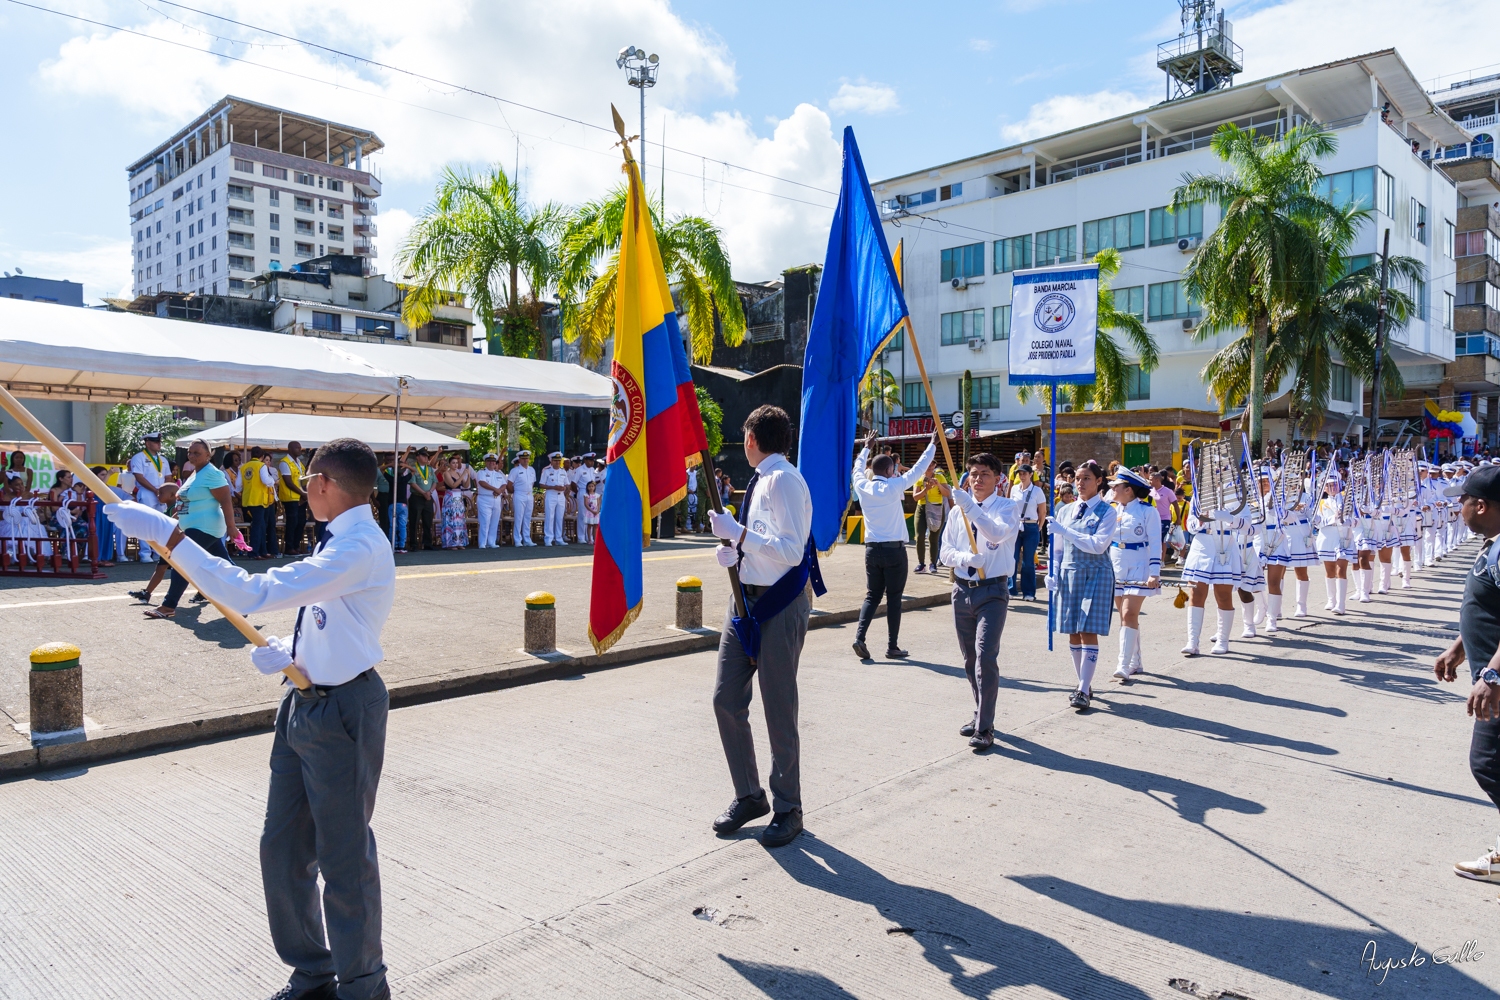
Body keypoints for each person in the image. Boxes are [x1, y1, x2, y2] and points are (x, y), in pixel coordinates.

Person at [104, 438, 395, 1000]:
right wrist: (293, 650)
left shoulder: (359, 545)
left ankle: (363, 987)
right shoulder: (340, 538)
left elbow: (251, 591)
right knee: (282, 849)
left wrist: (168, 535)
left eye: (309, 479)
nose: (305, 487)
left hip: (343, 710)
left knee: (343, 859)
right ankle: (313, 971)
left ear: (324, 484)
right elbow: (331, 614)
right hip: (304, 699)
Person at [707, 405, 816, 849]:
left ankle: (788, 806)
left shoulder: (784, 480)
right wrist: (736, 553)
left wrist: (743, 538)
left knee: (777, 705)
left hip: (781, 602)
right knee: (725, 699)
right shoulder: (762, 479)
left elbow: (792, 552)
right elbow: (763, 545)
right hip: (744, 600)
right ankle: (750, 794)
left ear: (752, 438)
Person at [937, 452, 1020, 750]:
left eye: (984, 473)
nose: (977, 479)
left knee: (986, 657)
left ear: (998, 479)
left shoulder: (1008, 507)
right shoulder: (956, 511)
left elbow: (996, 532)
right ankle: (980, 711)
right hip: (962, 590)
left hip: (993, 591)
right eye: (973, 473)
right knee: (970, 659)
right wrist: (963, 558)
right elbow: (944, 552)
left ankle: (985, 728)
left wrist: (969, 507)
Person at [850, 427, 938, 660]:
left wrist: (866, 447)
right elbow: (919, 469)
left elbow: (857, 469)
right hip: (894, 551)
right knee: (894, 598)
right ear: (890, 471)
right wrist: (931, 444)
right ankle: (892, 646)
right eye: (894, 468)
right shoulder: (894, 486)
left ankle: (859, 637)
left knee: (872, 596)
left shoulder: (862, 485)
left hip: (872, 550)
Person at [1047, 461, 1117, 710]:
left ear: (1099, 481)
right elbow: (1056, 547)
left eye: (1086, 478)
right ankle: (1083, 684)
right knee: (1072, 631)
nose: (1080, 482)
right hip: (1069, 573)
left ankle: (1083, 689)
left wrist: (1065, 531)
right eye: (1077, 478)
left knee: (1088, 629)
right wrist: (1052, 572)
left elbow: (1098, 545)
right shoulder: (1064, 511)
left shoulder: (1108, 512)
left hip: (1096, 573)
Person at [144, 439, 239, 620]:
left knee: (183, 560)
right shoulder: (195, 474)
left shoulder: (212, 473)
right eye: (190, 452)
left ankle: (168, 605)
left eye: (197, 453)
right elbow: (185, 502)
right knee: (225, 567)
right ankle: (246, 596)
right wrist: (174, 520)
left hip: (205, 527)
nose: (192, 455)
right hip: (193, 526)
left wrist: (232, 527)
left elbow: (226, 500)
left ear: (208, 455)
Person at [1107, 469, 1161, 682]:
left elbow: (1156, 542)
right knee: (1124, 616)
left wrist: (1155, 572)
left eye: (1116, 486)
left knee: (1129, 613)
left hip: (1139, 565)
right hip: (1116, 564)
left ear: (1128, 490)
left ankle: (1123, 663)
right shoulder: (1111, 509)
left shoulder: (1148, 511)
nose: (1112, 490)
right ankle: (1135, 660)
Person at [127, 431, 170, 562]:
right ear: (147, 443)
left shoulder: (163, 459)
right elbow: (139, 477)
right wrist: (155, 490)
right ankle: (145, 553)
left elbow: (168, 477)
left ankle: (158, 552)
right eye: (156, 442)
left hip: (161, 494)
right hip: (147, 493)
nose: (159, 444)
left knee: (160, 524)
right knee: (146, 523)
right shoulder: (138, 457)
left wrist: (166, 491)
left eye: (159, 442)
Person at [1314, 473, 1353, 616]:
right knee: (1330, 571)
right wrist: (1333, 518)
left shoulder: (1348, 500)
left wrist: (1344, 521)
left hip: (1343, 538)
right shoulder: (1321, 503)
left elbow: (1355, 520)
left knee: (1340, 570)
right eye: (1329, 485)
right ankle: (1331, 600)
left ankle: (1341, 604)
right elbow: (1317, 523)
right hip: (1327, 538)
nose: (1332, 487)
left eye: (1334, 484)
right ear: (1324, 488)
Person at [1009, 464, 1047, 601]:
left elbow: (1042, 512)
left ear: (1031, 474)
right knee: (1012, 559)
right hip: (1016, 526)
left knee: (1028, 561)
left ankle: (1029, 592)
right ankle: (1011, 589)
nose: (1022, 476)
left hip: (1031, 526)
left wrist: (1038, 526)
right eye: (1020, 473)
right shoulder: (1014, 489)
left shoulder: (1037, 491)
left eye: (1025, 473)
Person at [241, 447, 281, 561]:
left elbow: (238, 484)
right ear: (262, 457)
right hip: (259, 500)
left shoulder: (244, 467)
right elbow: (266, 481)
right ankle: (254, 552)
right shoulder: (261, 466)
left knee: (261, 526)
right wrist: (273, 481)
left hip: (247, 500)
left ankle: (262, 551)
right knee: (258, 527)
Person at [913, 466, 947, 575]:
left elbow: (947, 493)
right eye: (928, 464)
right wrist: (926, 489)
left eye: (932, 465)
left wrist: (938, 485)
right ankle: (921, 564)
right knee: (920, 536)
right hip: (922, 508)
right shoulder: (919, 478)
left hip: (936, 508)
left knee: (934, 537)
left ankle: (933, 563)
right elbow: (915, 497)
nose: (930, 467)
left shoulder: (940, 477)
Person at [278, 442, 310, 556]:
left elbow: (303, 480)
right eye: (297, 448)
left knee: (301, 522)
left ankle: (296, 546)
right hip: (290, 497)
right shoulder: (285, 462)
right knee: (292, 522)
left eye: (300, 447)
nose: (299, 450)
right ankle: (289, 547)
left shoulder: (299, 463)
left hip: (300, 498)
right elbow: (289, 482)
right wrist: (302, 493)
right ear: (290, 449)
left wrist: (304, 493)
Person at [406, 449, 437, 551]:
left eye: (427, 456)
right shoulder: (413, 468)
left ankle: (427, 543)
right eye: (423, 456)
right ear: (417, 457)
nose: (426, 458)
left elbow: (434, 482)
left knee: (428, 521)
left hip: (428, 497)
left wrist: (430, 492)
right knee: (414, 521)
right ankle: (413, 544)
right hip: (417, 497)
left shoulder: (430, 469)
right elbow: (412, 483)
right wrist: (423, 492)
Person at [475, 453, 506, 548]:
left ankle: (491, 542)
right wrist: (495, 489)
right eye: (489, 461)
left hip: (496, 499)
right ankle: (482, 543)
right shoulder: (481, 472)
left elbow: (504, 484)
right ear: (485, 462)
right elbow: (482, 483)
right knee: (485, 521)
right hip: (484, 499)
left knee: (494, 521)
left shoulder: (498, 474)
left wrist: (499, 491)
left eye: (493, 461)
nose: (491, 463)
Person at [538, 452, 570, 545]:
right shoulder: (547, 471)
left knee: (560, 517)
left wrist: (566, 489)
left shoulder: (563, 471)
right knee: (550, 517)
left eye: (559, 460)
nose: (557, 462)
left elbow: (567, 484)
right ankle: (548, 538)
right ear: (551, 461)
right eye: (555, 460)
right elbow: (541, 485)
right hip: (551, 494)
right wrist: (553, 487)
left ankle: (559, 538)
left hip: (561, 496)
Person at [439, 454, 469, 549]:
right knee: (451, 519)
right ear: (449, 464)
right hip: (450, 497)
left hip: (458, 497)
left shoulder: (459, 474)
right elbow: (453, 485)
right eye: (453, 463)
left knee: (459, 519)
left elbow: (465, 485)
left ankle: (459, 542)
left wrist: (467, 476)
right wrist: (463, 475)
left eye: (457, 463)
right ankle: (450, 543)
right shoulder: (446, 473)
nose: (455, 465)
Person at [508, 450, 538, 546]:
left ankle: (527, 539)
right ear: (519, 460)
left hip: (529, 494)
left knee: (527, 518)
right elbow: (509, 485)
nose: (525, 460)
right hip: (519, 494)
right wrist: (516, 492)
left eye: (527, 458)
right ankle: (517, 539)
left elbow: (532, 483)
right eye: (523, 458)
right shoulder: (515, 470)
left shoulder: (532, 470)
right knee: (519, 517)